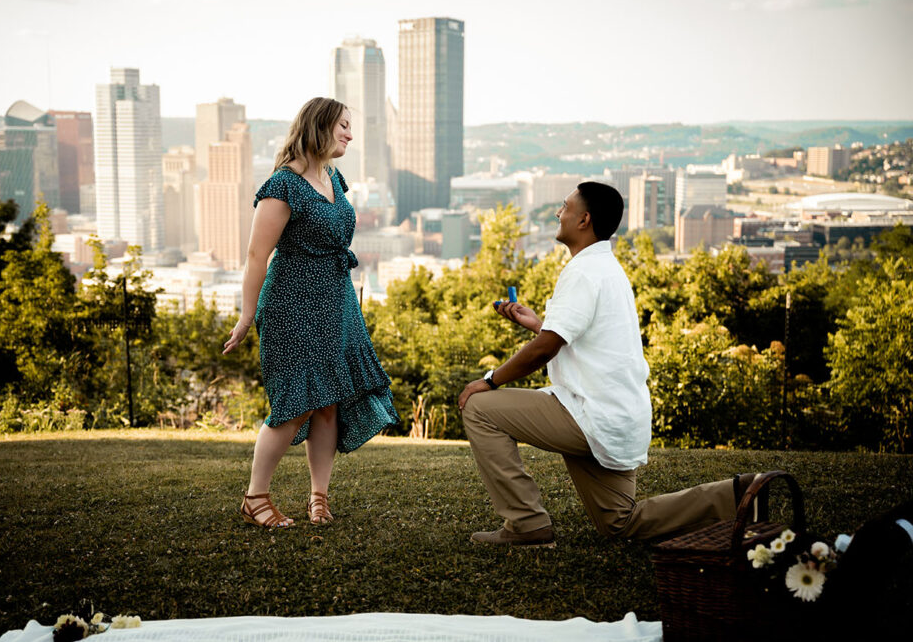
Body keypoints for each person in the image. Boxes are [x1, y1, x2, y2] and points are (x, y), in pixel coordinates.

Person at [457, 181, 760, 547]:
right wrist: (539, 325)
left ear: (583, 219)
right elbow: (573, 335)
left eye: (565, 207)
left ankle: (526, 524)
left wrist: (489, 381)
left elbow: (544, 350)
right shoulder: (606, 268)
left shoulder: (584, 272)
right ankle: (736, 496)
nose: (558, 212)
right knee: (619, 524)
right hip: (618, 418)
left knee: (479, 407)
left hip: (591, 414)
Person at [223, 97, 398, 528]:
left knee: (328, 403)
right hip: (291, 303)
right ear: (318, 127)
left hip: (335, 301)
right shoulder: (283, 185)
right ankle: (255, 497)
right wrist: (247, 316)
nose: (350, 135)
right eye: (343, 126)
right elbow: (255, 255)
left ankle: (318, 497)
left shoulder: (333, 178)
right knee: (296, 401)